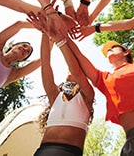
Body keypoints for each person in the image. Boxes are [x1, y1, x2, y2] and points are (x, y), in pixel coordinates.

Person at [27, 11, 95, 156]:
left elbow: (76, 71)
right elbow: (45, 63)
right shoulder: (55, 97)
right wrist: (45, 31)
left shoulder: (87, 97)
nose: (69, 72)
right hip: (44, 150)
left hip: (69, 152)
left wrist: (60, 41)